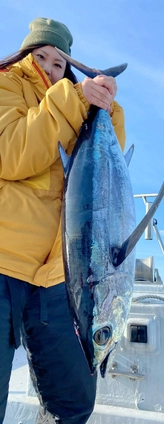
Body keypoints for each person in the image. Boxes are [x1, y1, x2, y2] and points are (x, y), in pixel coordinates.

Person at [0, 17, 125, 424]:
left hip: (59, 274)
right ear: (24, 54)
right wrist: (74, 98)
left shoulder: (75, 99)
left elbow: (107, 171)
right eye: (41, 57)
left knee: (73, 402)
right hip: (4, 262)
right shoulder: (6, 84)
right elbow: (13, 154)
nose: (49, 69)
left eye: (58, 63)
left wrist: (108, 105)